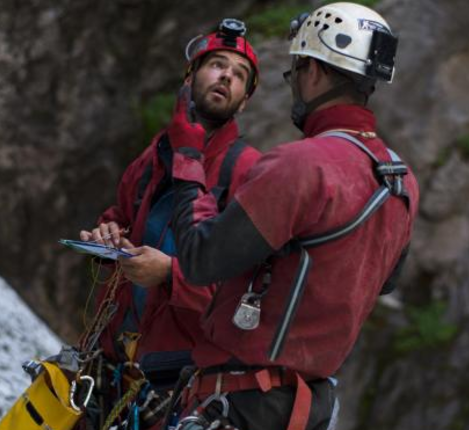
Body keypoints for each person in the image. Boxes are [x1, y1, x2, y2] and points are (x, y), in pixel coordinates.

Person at [164, 3, 419, 430]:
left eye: (296, 70)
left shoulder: (302, 165)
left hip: (242, 404)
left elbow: (199, 258)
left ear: (313, 70)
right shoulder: (401, 179)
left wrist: (189, 157)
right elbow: (384, 280)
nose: (295, 84)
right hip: (309, 408)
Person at [76, 18, 262, 429]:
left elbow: (243, 290)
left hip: (174, 376)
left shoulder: (247, 171)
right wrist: (107, 235)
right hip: (110, 356)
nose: (226, 76)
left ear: (243, 102)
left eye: (239, 75)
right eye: (217, 65)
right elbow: (123, 214)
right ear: (190, 77)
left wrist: (170, 276)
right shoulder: (156, 153)